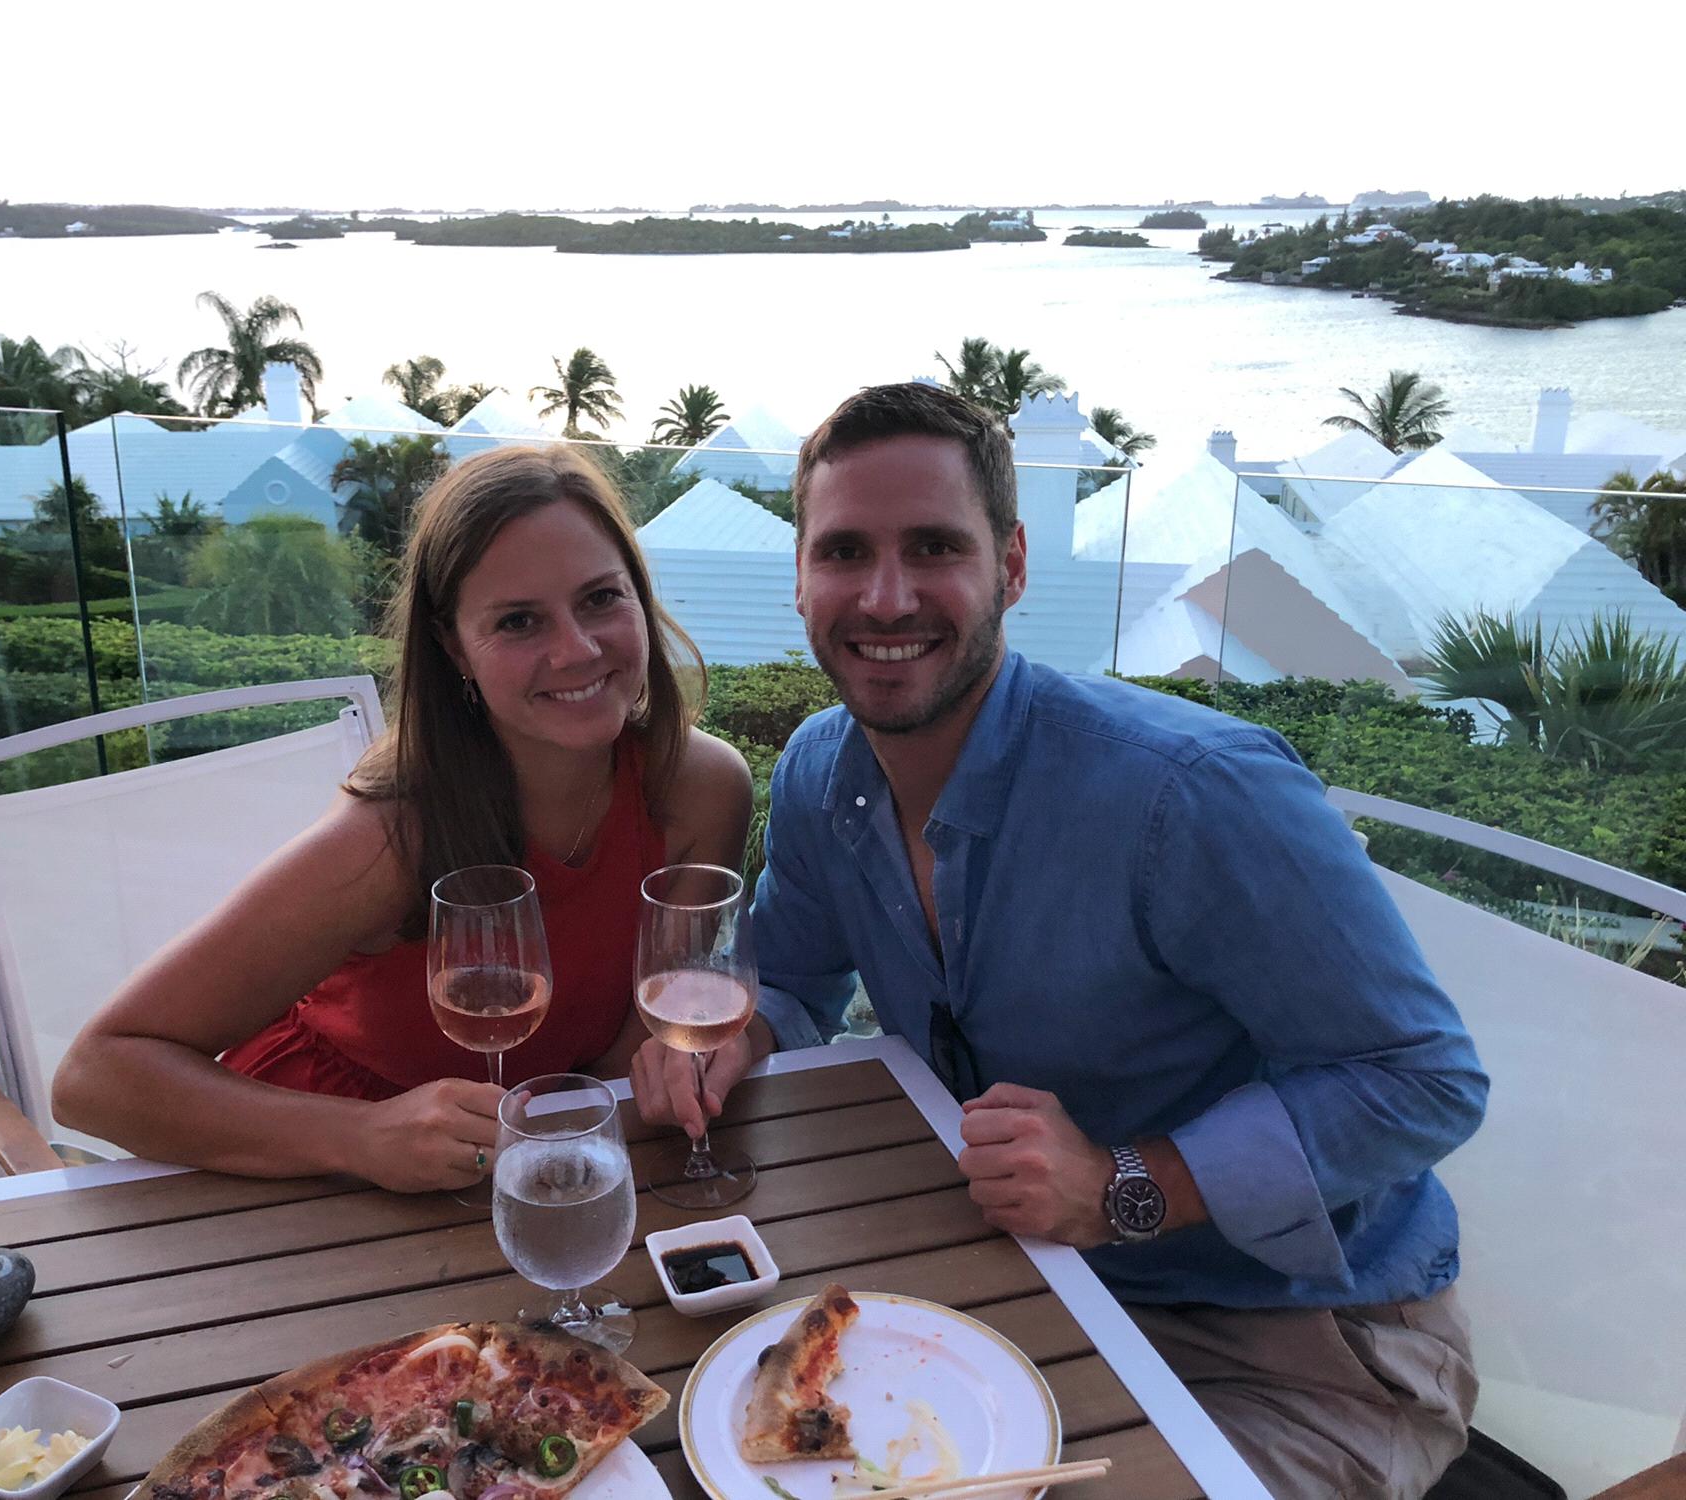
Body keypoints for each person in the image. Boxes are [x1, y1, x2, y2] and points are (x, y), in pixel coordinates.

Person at [629, 384, 1488, 1499]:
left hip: (1290, 1346)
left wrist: (1127, 1184)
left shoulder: (1190, 796)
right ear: (800, 577)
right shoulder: (820, 776)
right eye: (843, 551)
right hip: (1008, 1288)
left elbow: (1424, 1079)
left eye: (933, 546)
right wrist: (727, 1048)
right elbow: (789, 982)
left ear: (1012, 565)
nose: (884, 596)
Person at [55, 445, 752, 1194]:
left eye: (600, 598)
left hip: (519, 1167)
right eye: (519, 621)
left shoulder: (702, 792)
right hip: (314, 1174)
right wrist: (360, 1137)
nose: (577, 649)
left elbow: (628, 1059)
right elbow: (95, 1074)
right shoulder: (389, 837)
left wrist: (690, 1062)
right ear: (455, 647)